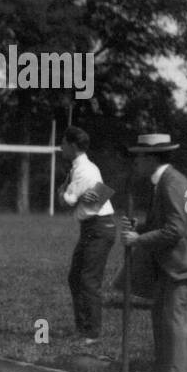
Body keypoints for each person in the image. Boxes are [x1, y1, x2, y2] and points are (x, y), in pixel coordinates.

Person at [118, 133, 187, 372]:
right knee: (161, 312)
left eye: (139, 157)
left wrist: (138, 239)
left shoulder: (171, 182)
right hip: (176, 260)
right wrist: (139, 227)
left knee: (175, 316)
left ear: (152, 158)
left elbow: (176, 229)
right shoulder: (165, 180)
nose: (135, 163)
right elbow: (168, 222)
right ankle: (164, 367)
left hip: (186, 261)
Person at [56, 126, 116, 344]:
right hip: (93, 227)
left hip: (99, 228)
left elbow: (66, 201)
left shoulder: (83, 171)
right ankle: (83, 329)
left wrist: (63, 192)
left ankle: (91, 334)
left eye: (63, 143)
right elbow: (97, 194)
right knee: (76, 278)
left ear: (72, 146)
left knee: (88, 281)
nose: (60, 147)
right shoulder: (85, 167)